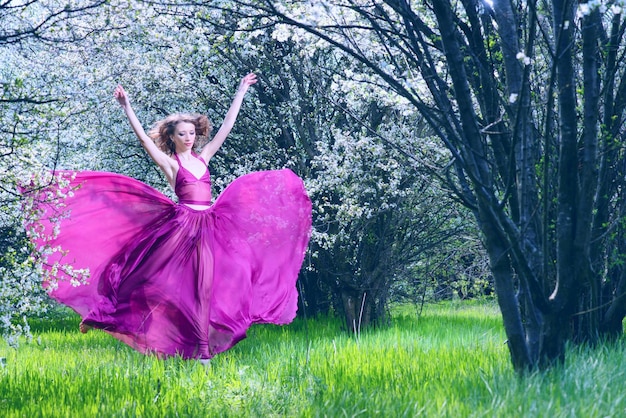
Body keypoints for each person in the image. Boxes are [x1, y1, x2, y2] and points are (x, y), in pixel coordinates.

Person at [25, 73, 312, 361]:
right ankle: (103, 314)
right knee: (144, 276)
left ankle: (202, 350)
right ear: (171, 138)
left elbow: (227, 125)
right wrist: (127, 108)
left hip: (210, 226)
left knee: (208, 288)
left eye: (191, 133)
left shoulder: (204, 156)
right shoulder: (171, 164)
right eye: (182, 134)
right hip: (183, 228)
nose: (188, 138)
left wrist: (240, 90)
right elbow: (143, 140)